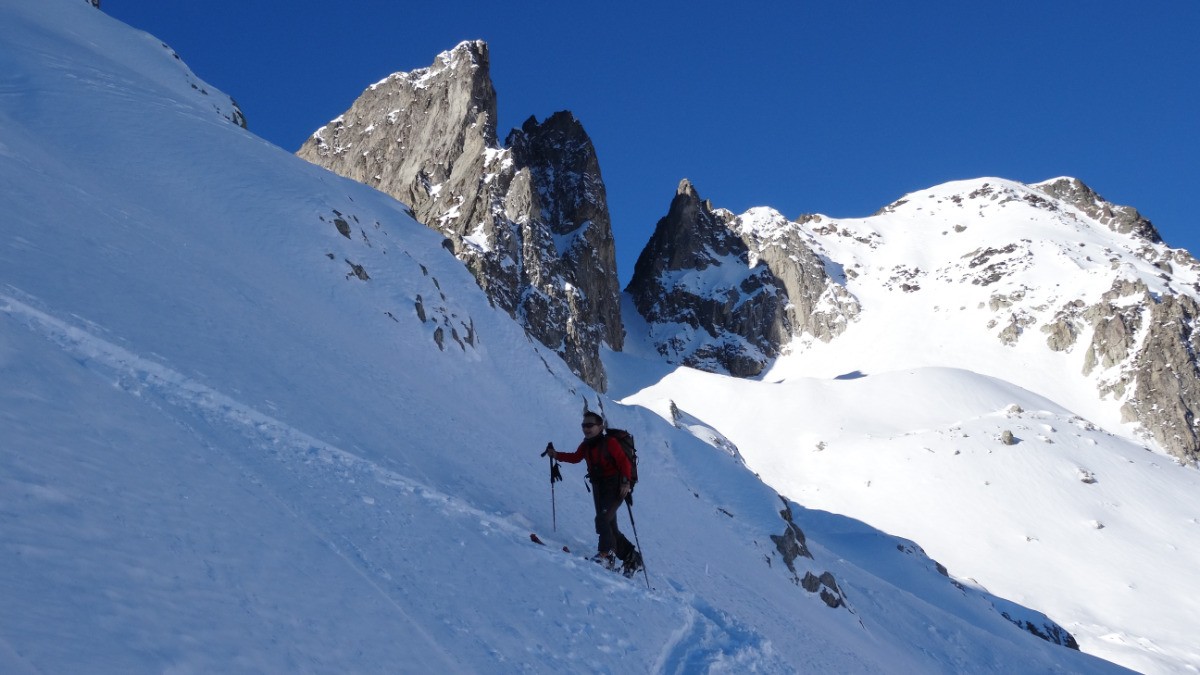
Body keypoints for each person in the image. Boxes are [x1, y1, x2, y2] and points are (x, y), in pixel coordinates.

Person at [547, 412, 643, 576]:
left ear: (601, 426)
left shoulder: (610, 442)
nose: (586, 428)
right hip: (599, 487)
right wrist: (556, 455)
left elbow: (623, 462)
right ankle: (631, 557)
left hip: (616, 487)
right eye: (584, 425)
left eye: (590, 425)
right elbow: (575, 457)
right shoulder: (586, 445)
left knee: (603, 519)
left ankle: (605, 555)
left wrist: (626, 482)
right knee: (610, 526)